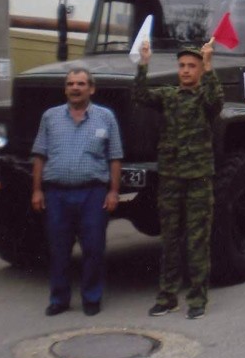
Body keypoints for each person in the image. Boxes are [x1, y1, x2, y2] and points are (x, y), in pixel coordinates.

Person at [134, 40, 224, 320]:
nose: (185, 71)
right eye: (182, 66)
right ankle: (167, 296)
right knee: (170, 239)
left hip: (198, 179)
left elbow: (216, 102)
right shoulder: (169, 96)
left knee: (197, 240)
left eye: (191, 66)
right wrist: (143, 63)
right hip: (171, 178)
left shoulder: (203, 99)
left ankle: (197, 298)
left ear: (199, 70)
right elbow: (140, 96)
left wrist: (209, 66)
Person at [31, 68, 123, 316]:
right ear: (65, 89)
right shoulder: (50, 117)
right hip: (57, 194)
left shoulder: (105, 117)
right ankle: (59, 299)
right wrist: (37, 190)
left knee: (93, 248)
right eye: (71, 83)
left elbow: (115, 157)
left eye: (81, 83)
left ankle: (91, 297)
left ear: (91, 89)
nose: (75, 88)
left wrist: (113, 192)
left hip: (93, 194)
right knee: (58, 250)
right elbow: (39, 155)